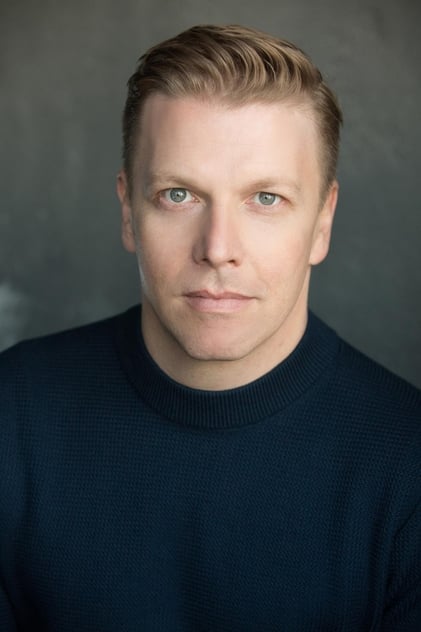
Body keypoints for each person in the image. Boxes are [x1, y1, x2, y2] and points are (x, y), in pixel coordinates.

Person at [0, 24, 420, 631]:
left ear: (323, 222)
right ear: (128, 212)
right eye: (179, 195)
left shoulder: (407, 466)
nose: (218, 248)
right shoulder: (12, 415)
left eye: (266, 199)